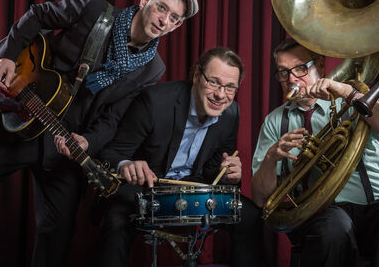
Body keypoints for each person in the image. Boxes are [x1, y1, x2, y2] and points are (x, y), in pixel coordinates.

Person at [0, 0, 198, 267]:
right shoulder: (95, 9)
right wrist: (8, 54)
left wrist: (88, 141)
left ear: (177, 26)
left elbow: (114, 118)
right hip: (23, 116)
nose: (164, 21)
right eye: (161, 8)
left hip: (64, 149)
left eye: (174, 18)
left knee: (56, 237)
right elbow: (38, 14)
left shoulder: (152, 69)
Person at [252, 38, 379, 267]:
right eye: (283, 72)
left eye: (300, 68)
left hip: (373, 211)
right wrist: (271, 157)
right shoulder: (274, 121)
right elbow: (260, 199)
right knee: (335, 226)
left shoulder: (353, 101)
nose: (291, 79)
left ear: (320, 66)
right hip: (319, 217)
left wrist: (349, 92)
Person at [95, 46, 262, 267]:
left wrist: (227, 174)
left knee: (249, 215)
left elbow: (211, 172)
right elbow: (110, 153)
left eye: (230, 87)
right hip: (145, 186)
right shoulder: (154, 102)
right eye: (213, 82)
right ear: (197, 75)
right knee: (117, 220)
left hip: (192, 188)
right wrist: (127, 165)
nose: (221, 95)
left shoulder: (231, 113)